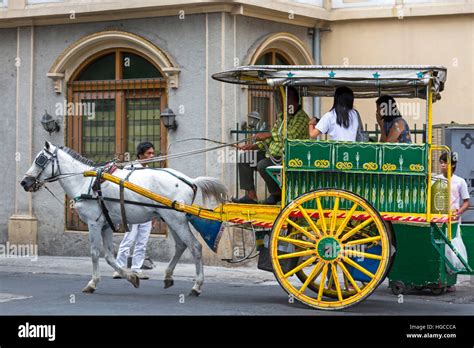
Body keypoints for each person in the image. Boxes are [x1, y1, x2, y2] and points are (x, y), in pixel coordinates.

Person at [233, 87, 309, 205]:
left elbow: (291, 135)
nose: (282, 104)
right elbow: (270, 139)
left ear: (293, 101)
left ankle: (276, 194)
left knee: (263, 165)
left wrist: (268, 134)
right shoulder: (282, 117)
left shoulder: (302, 118)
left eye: (285, 100)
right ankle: (251, 195)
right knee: (245, 158)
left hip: (289, 157)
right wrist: (253, 147)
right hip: (272, 154)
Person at [113, 141, 156, 280]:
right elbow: (121, 189)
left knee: (142, 241)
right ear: (140, 155)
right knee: (129, 239)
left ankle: (137, 269)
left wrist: (154, 214)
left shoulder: (150, 171)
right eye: (149, 153)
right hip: (132, 210)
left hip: (147, 211)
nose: (151, 156)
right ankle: (119, 268)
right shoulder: (129, 168)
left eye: (153, 153)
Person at [435, 152, 470, 292]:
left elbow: (467, 202)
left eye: (445, 163)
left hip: (453, 221)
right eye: (441, 162)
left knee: (451, 249)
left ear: (453, 165)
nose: (442, 165)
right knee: (439, 248)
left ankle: (450, 279)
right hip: (438, 219)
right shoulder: (436, 180)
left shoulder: (460, 181)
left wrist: (459, 212)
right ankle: (439, 277)